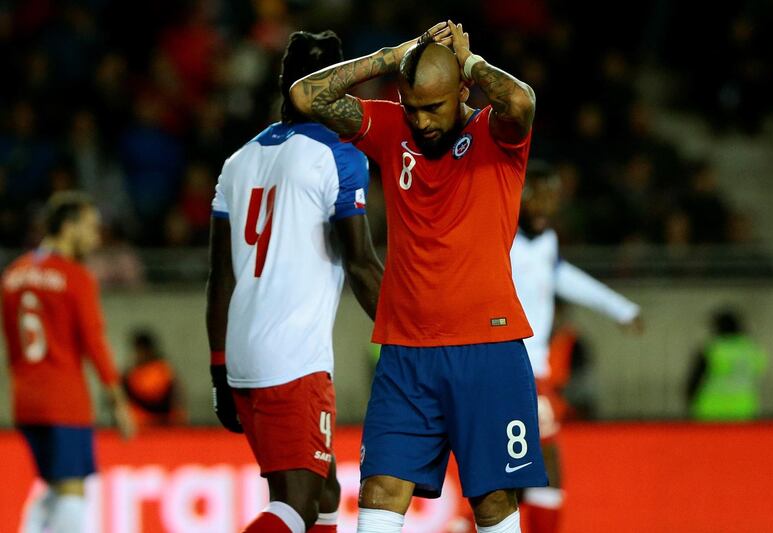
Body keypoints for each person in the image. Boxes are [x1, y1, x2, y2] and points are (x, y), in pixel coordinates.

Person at [292, 20, 547, 533]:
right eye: (412, 107)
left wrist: (470, 61)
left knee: (494, 501)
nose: (422, 121)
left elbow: (520, 101)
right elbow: (305, 97)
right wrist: (389, 58)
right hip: (406, 353)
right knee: (380, 491)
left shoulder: (496, 136)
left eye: (434, 106)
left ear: (463, 91)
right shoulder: (392, 129)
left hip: (487, 349)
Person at [206, 30, 384, 533]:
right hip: (294, 361)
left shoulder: (236, 162)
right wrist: (412, 334)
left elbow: (221, 277)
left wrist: (219, 370)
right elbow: (363, 263)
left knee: (324, 492)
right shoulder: (340, 157)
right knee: (297, 504)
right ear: (339, 87)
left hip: (243, 355)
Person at [509, 162, 642, 533]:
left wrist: (621, 308)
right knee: (543, 465)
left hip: (533, 373)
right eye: (534, 195)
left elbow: (565, 277)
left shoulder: (546, 242)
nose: (543, 204)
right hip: (512, 369)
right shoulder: (499, 239)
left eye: (550, 196)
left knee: (520, 473)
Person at [1, 191, 135, 533]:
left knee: (53, 485)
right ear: (68, 226)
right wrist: (117, 401)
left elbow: (13, 344)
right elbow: (94, 343)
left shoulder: (13, 275)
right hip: (64, 400)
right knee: (73, 491)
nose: (95, 236)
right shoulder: (76, 277)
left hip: (26, 400)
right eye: (90, 227)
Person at [686, 309, 766, 421]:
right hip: (744, 407)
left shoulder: (713, 349)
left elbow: (695, 378)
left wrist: (689, 399)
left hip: (711, 408)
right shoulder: (752, 350)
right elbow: (757, 372)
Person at [122, 329, 185, 428]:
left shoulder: (161, 370)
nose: (137, 355)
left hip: (162, 426)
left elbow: (156, 399)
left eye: (140, 351)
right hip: (139, 426)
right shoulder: (133, 373)